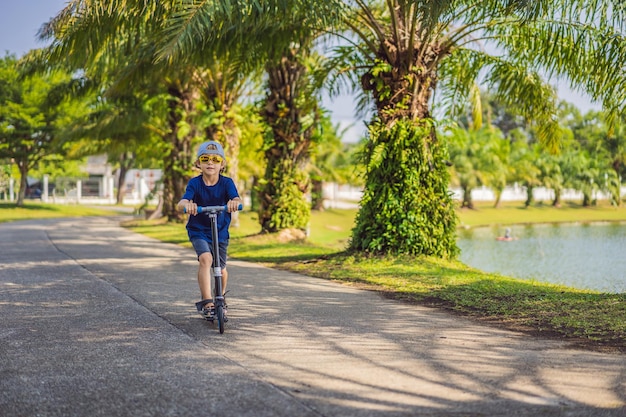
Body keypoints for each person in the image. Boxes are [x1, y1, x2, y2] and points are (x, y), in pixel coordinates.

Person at [177, 140, 242, 318]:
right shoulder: (195, 183)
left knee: (220, 268)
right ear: (198, 163)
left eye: (215, 159)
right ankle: (208, 302)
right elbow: (183, 200)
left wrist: (234, 203)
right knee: (206, 259)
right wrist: (186, 205)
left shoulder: (227, 183)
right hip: (198, 230)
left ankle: (220, 298)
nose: (210, 162)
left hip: (220, 230)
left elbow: (236, 199)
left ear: (222, 164)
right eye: (205, 159)